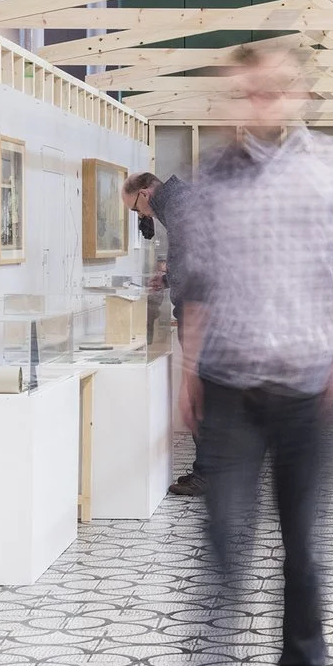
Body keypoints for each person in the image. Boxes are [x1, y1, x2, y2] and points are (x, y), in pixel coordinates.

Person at [166, 40, 333, 666]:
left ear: (299, 93)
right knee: (223, 539)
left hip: (309, 392)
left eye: (270, 89)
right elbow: (201, 288)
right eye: (245, 91)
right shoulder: (209, 181)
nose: (257, 103)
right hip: (232, 389)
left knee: (303, 548)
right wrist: (190, 367)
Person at [127, 171, 206, 497]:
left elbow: (197, 259)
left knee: (199, 397)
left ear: (145, 194)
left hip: (200, 314)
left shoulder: (177, 205)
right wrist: (169, 277)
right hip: (204, 311)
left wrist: (188, 306)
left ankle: (209, 475)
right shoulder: (182, 200)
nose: (141, 216)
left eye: (135, 209)